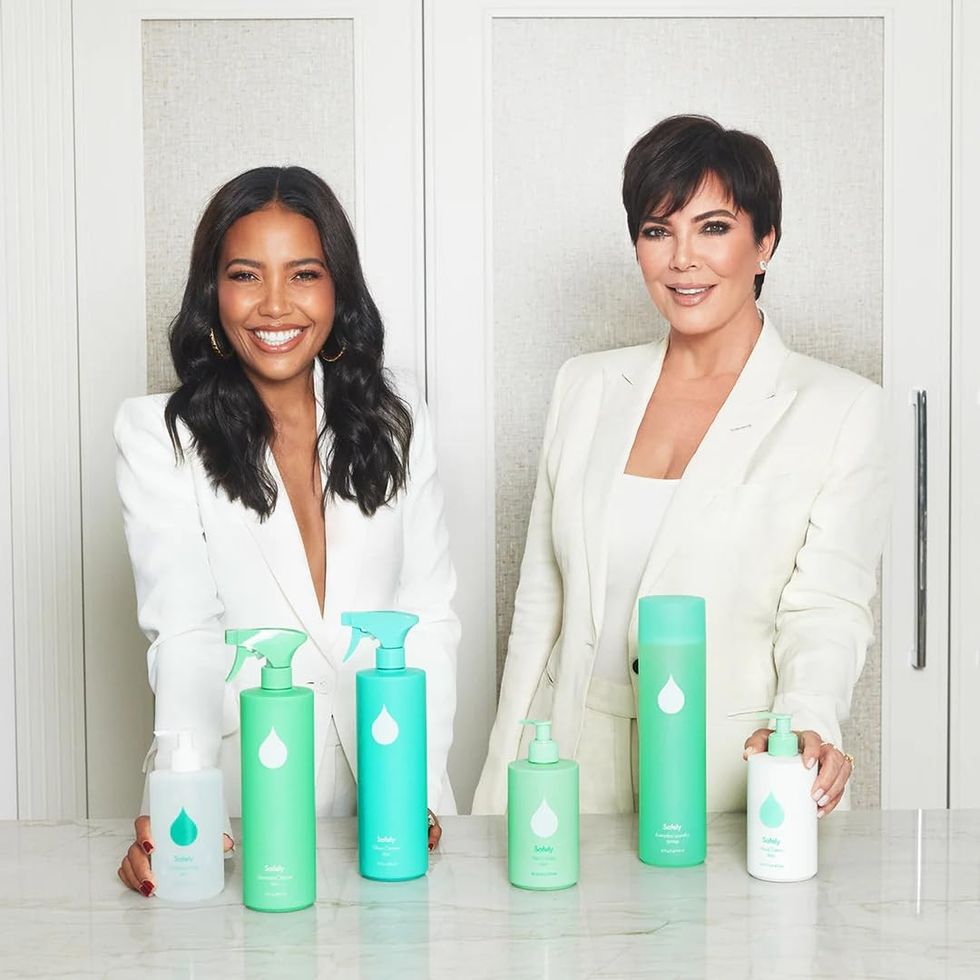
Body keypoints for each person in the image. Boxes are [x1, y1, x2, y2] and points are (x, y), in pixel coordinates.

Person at [472, 115, 888, 818]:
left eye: (713, 228)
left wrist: (807, 721)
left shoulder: (841, 408)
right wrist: (497, 788)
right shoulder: (585, 386)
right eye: (657, 231)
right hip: (570, 763)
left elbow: (826, 608)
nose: (682, 259)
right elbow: (541, 608)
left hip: (727, 769)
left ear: (765, 243)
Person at [115, 167, 459, 896]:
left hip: (387, 794)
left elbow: (428, 616)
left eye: (304, 273)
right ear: (213, 294)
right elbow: (184, 635)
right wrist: (182, 805)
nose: (275, 303)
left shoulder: (396, 418)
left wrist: (419, 788)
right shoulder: (160, 435)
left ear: (338, 290)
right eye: (246, 275)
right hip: (240, 799)